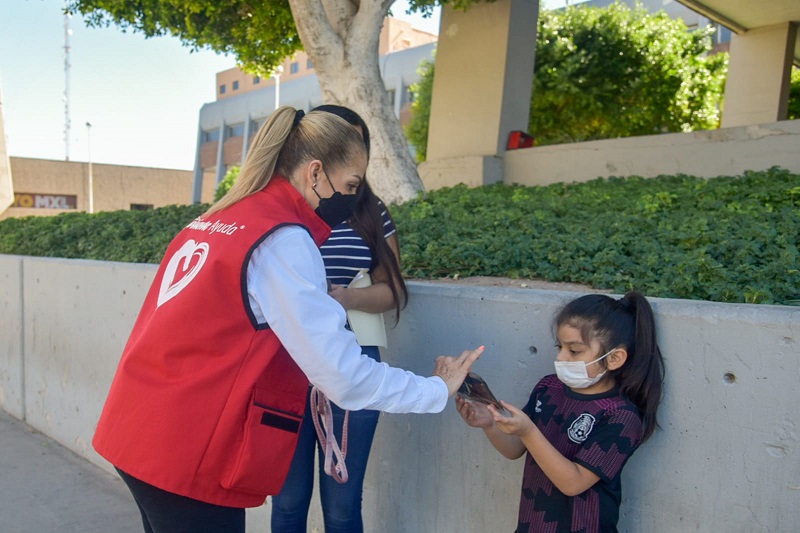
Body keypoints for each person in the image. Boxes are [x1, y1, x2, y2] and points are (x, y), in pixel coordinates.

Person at [92, 106, 483, 533]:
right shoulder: (283, 239)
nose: (354, 197)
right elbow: (344, 377)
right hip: (188, 448)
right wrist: (435, 389)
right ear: (315, 172)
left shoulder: (215, 219)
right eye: (351, 184)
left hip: (139, 429)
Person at [270, 105, 407, 533]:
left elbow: (394, 290)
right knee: (288, 500)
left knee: (343, 504)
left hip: (353, 357)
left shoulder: (370, 209)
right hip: (284, 361)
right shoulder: (278, 209)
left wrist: (346, 297)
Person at [457, 291, 665, 533]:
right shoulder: (549, 388)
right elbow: (515, 448)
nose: (560, 357)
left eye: (574, 351)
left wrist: (528, 431)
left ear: (615, 358)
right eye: (560, 346)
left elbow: (573, 483)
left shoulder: (620, 416)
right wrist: (490, 424)